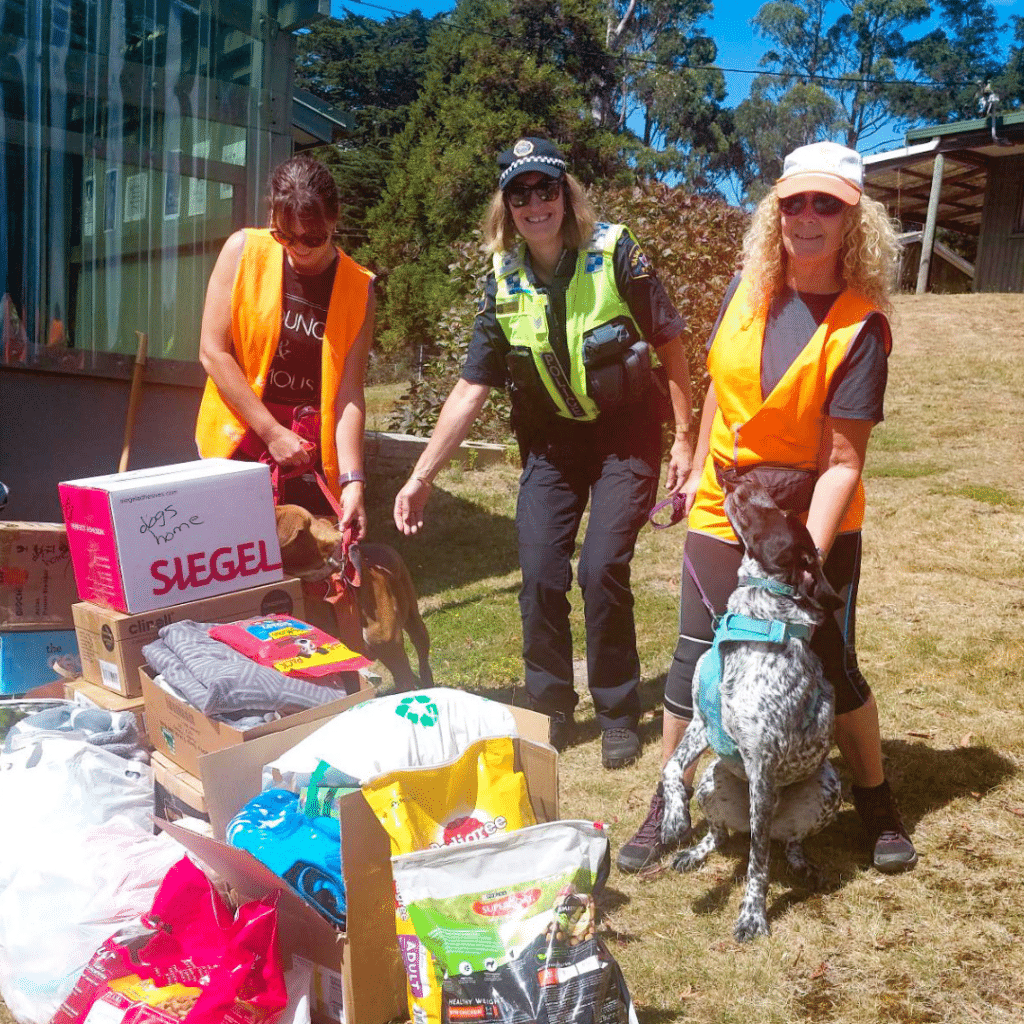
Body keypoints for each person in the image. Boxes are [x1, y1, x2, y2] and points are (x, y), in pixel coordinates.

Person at [617, 141, 918, 874]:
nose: (807, 218)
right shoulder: (746, 286)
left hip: (809, 525)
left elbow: (844, 464)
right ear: (775, 211)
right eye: (794, 202)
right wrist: (693, 453)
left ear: (855, 221)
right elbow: (723, 376)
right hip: (730, 509)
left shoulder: (860, 327)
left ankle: (875, 799)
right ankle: (668, 800)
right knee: (697, 654)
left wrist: (793, 564)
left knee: (826, 661)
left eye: (827, 205)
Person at [393, 137, 695, 769]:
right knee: (539, 575)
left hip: (623, 437)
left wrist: (685, 437)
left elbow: (669, 340)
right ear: (506, 207)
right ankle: (552, 706)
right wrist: (422, 475)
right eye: (520, 193)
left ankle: (616, 710)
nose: (535, 204)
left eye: (546, 189)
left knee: (602, 568)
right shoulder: (501, 278)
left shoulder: (616, 252)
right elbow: (473, 383)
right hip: (553, 445)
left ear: (566, 194)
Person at [195, 155, 375, 537]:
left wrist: (352, 480)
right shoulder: (242, 251)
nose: (300, 249)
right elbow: (213, 351)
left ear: (334, 219)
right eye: (284, 236)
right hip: (239, 440)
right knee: (230, 561)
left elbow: (348, 393)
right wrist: (271, 432)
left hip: (308, 453)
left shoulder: (360, 287)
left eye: (313, 238)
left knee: (309, 572)